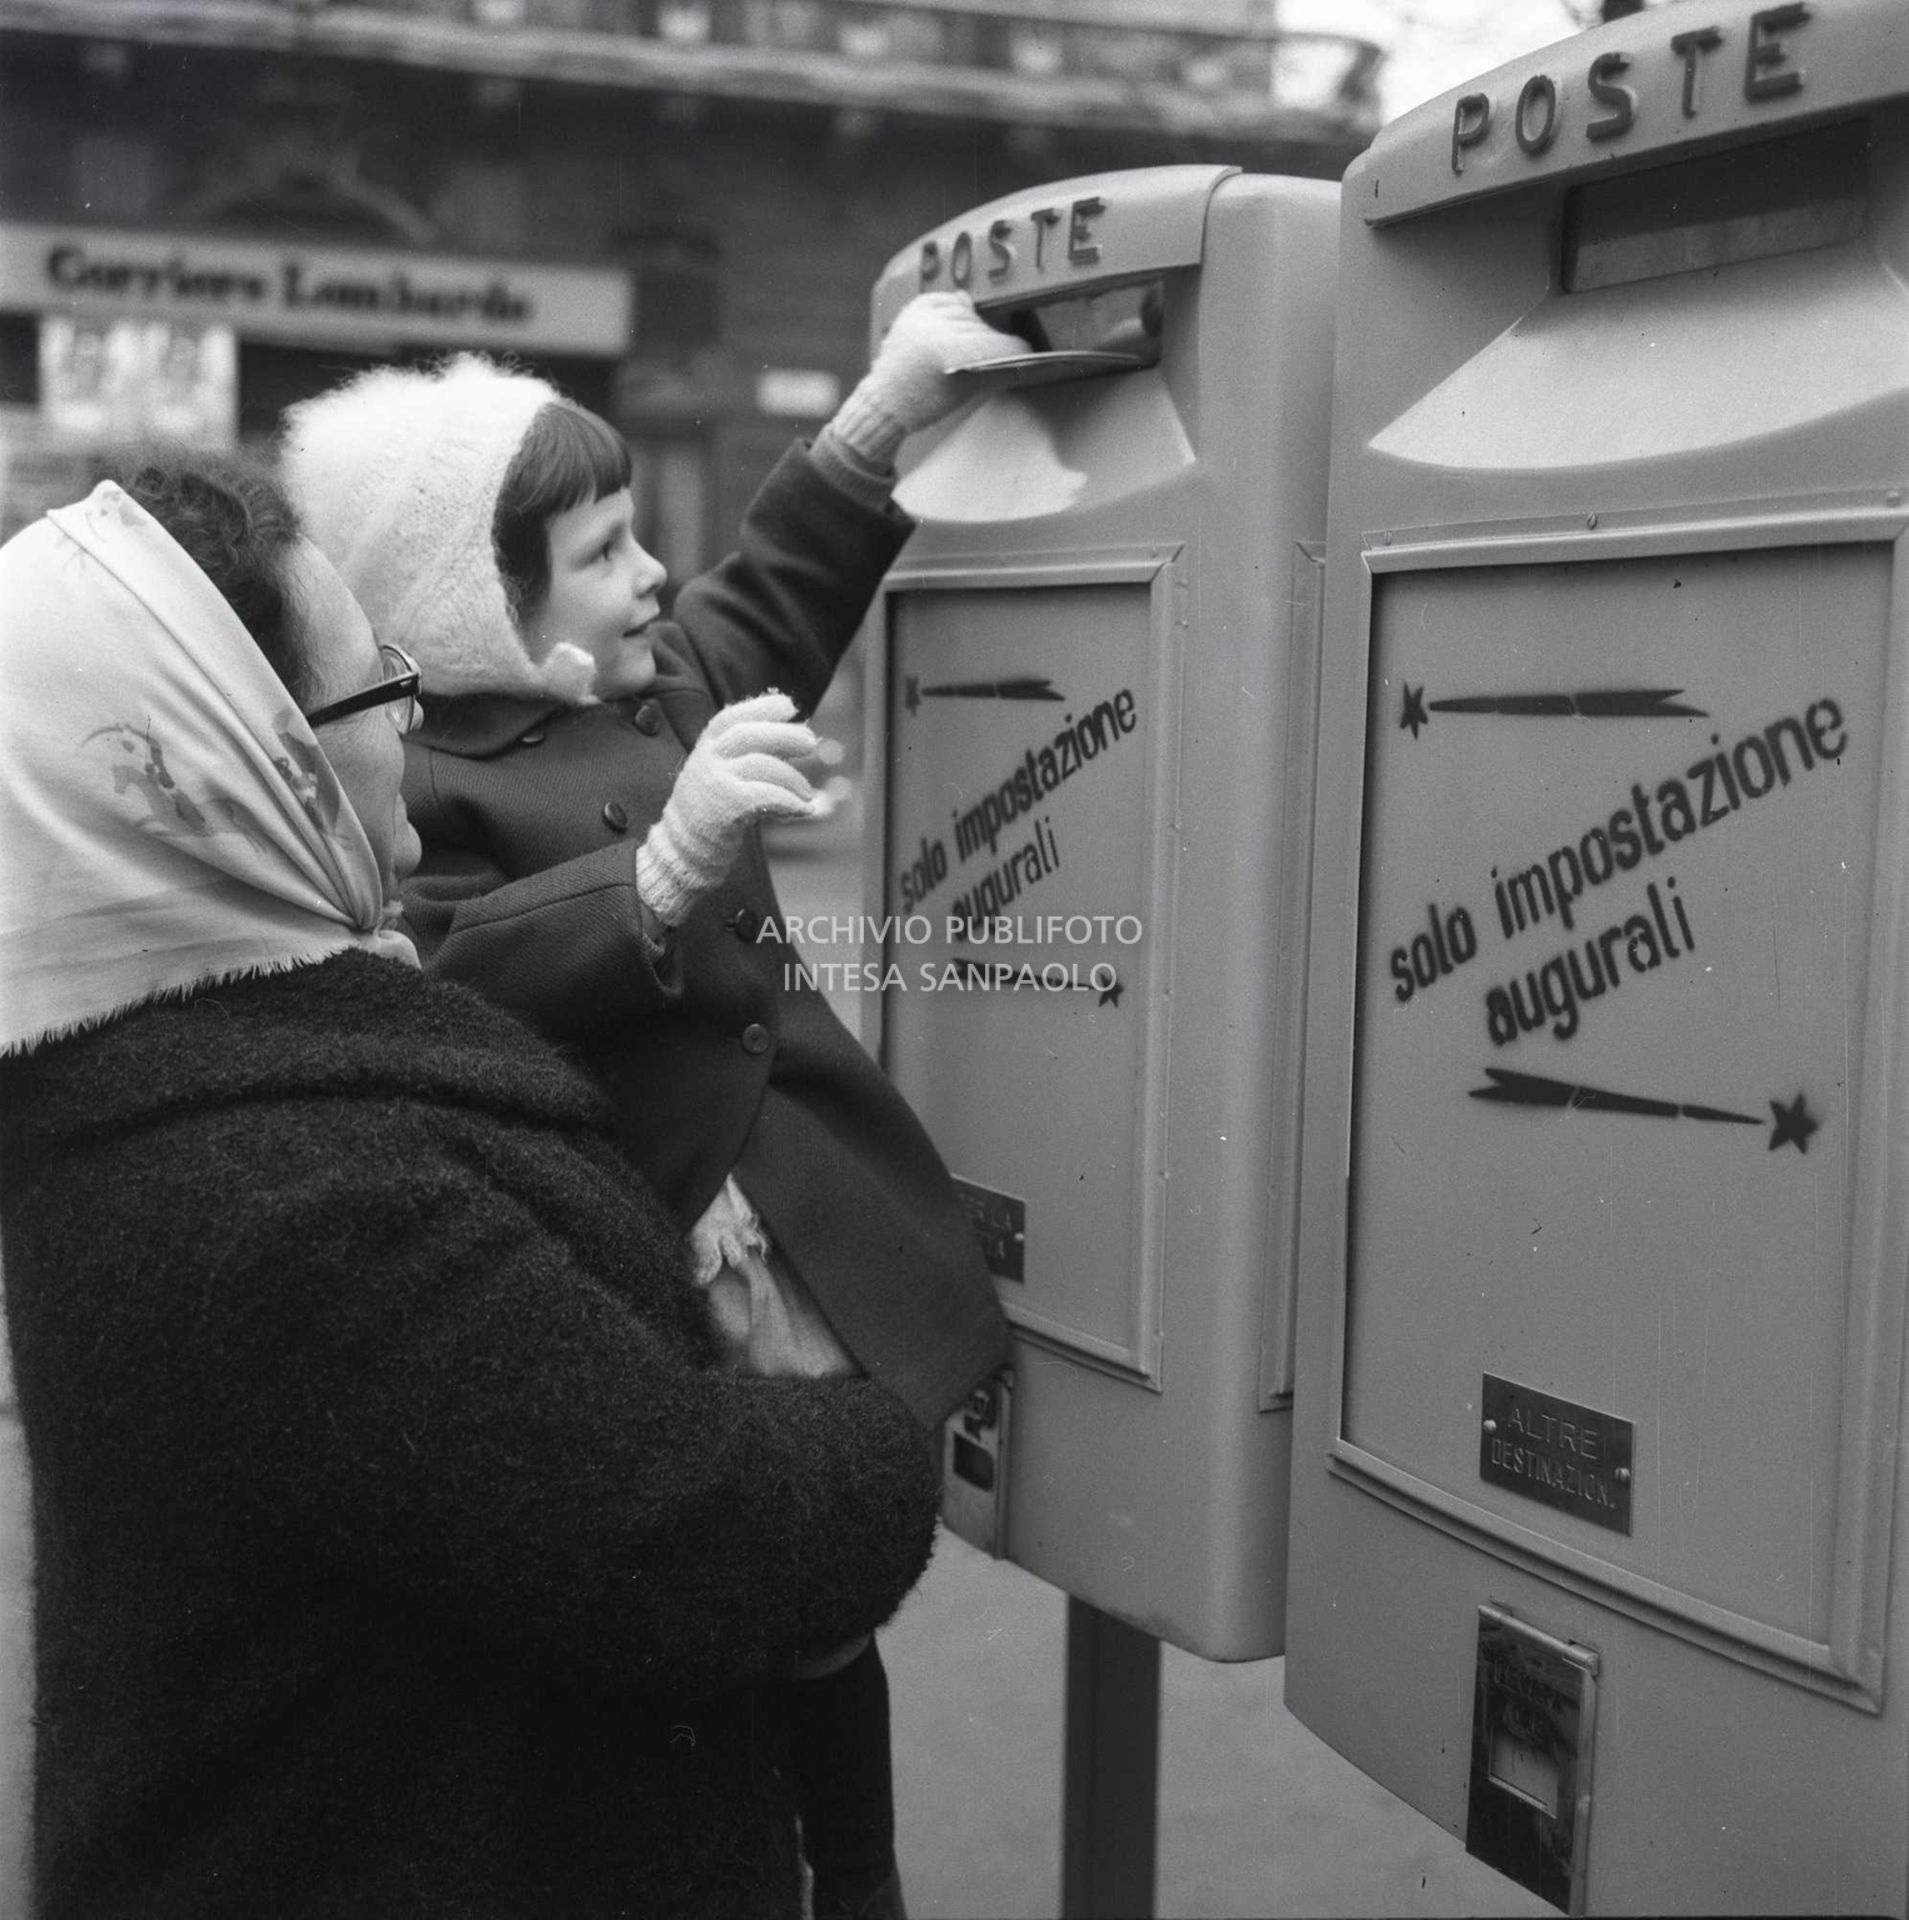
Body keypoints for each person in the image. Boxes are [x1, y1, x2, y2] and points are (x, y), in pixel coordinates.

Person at [0, 451, 941, 1919]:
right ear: (262, 761)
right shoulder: (314, 1200)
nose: (415, 721)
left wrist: (865, 442)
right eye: (378, 686)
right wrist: (867, 1428)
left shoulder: (144, 1070)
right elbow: (694, 1540)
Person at [281, 292, 1021, 1920]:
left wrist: (873, 421)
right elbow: (454, 981)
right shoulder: (423, 790)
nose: (651, 579)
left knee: (822, 1613)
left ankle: (862, 1876)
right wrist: (660, 871)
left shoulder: (654, 688)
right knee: (730, 1612)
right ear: (481, 602)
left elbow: (779, 586)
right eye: (605, 553)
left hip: (788, 1231)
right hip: (647, 1276)